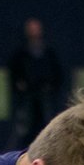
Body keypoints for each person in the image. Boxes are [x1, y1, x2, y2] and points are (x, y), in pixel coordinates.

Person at [6, 18, 64, 149]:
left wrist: (49, 87)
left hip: (45, 97)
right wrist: (20, 86)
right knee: (24, 128)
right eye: (31, 29)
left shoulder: (48, 52)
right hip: (27, 98)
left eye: (36, 29)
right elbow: (14, 74)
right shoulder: (21, 54)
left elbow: (57, 74)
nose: (34, 32)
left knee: (48, 126)